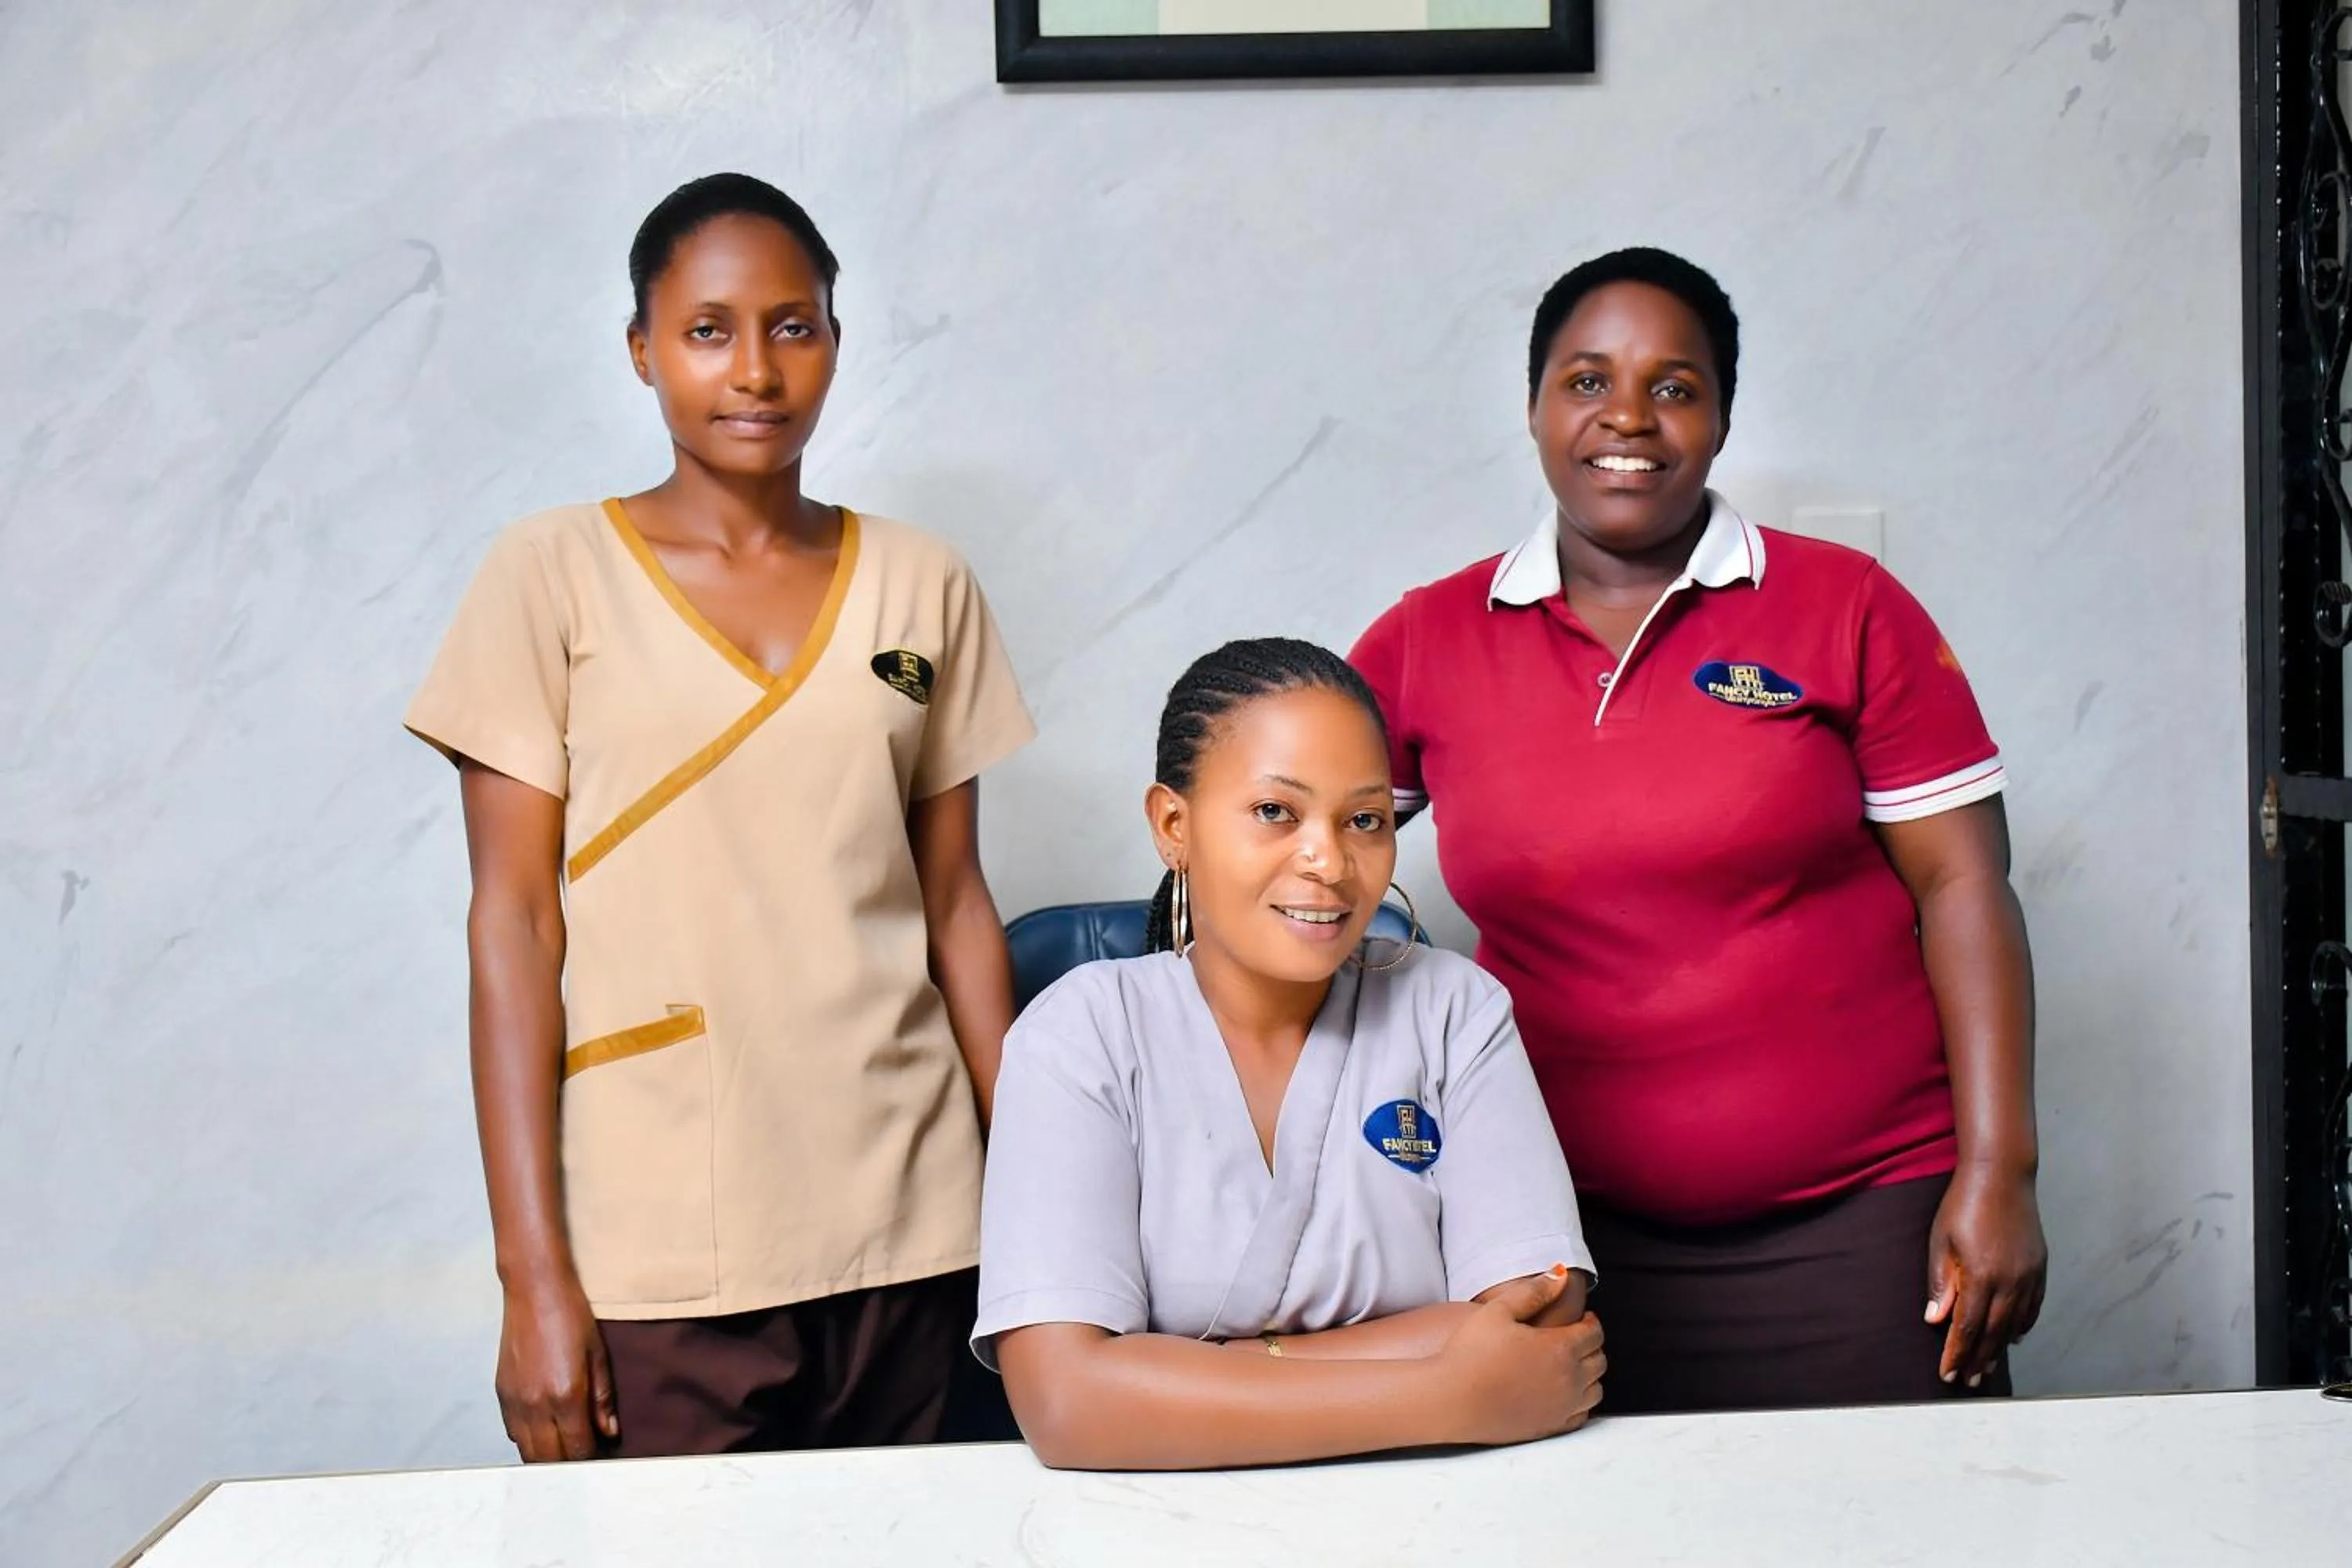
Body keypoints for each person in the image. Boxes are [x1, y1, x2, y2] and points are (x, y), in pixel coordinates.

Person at [1348, 248, 2047, 1414]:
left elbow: (1965, 890)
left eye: (1675, 387)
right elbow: (1283, 865)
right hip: (1552, 1236)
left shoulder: (1847, 606)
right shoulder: (1431, 637)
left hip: (1869, 1228)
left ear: (1722, 419)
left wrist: (2000, 1171)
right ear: (1533, 408)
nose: (1628, 417)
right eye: (1586, 381)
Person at [405, 173, 1035, 1460]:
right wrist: (535, 1282)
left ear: (836, 345)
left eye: (793, 327)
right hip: (667, 1241)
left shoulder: (923, 583)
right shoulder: (549, 576)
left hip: (914, 1221)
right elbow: (513, 926)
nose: (755, 369)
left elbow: (957, 904)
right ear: (641, 348)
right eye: (707, 330)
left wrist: (1046, 1203)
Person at [974, 638, 1603, 1470]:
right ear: (1174, 824)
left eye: (1365, 819)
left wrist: (1191, 1371)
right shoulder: (1078, 1034)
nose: (1330, 861)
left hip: (1439, 1513)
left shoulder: (1454, 1010)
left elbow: (1544, 1318)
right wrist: (1446, 1390)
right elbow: (1065, 1402)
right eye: (1277, 810)